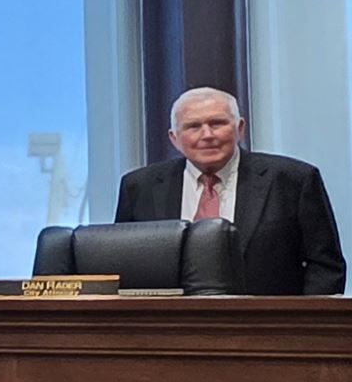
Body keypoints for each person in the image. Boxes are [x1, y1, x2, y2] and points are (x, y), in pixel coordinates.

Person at [113, 86, 344, 295]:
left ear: (240, 128)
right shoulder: (139, 188)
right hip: (169, 330)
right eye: (193, 126)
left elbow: (325, 267)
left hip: (272, 330)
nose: (207, 135)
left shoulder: (293, 180)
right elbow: (123, 267)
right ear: (174, 138)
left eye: (217, 123)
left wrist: (303, 328)